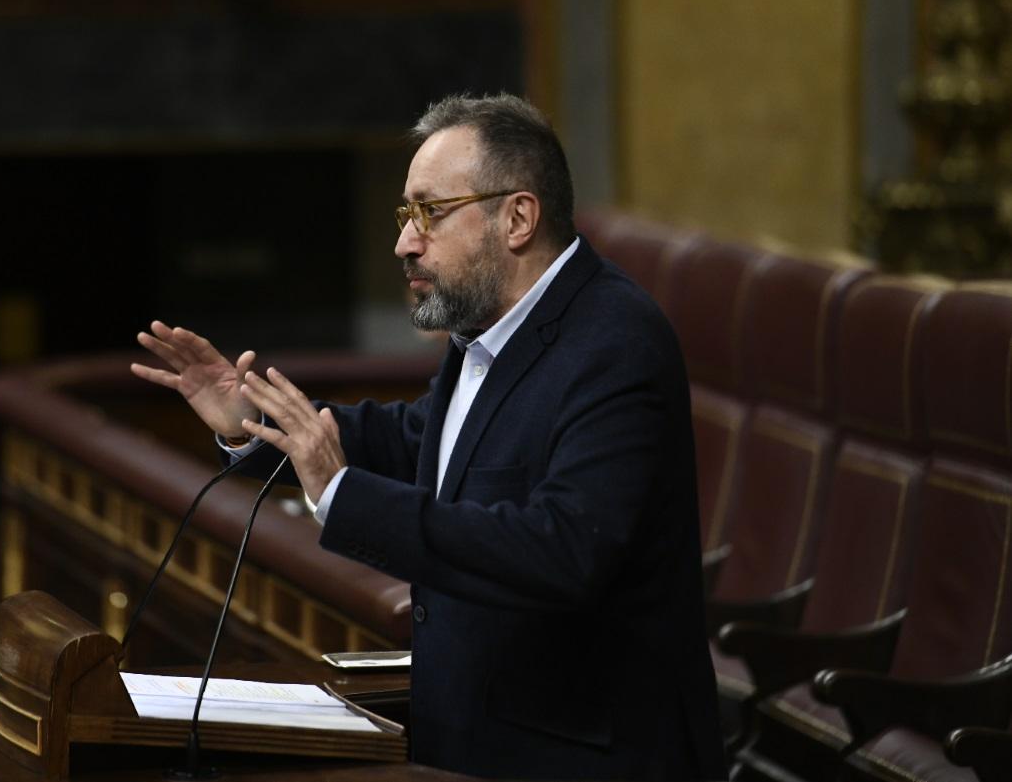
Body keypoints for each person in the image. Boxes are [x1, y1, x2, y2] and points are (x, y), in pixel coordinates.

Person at [132, 93, 726, 780]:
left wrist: (344, 495)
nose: (404, 241)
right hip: (477, 739)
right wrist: (254, 421)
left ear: (518, 217)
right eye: (403, 214)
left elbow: (563, 549)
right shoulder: (490, 330)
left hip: (581, 756)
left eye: (429, 213)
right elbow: (422, 441)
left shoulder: (615, 342)